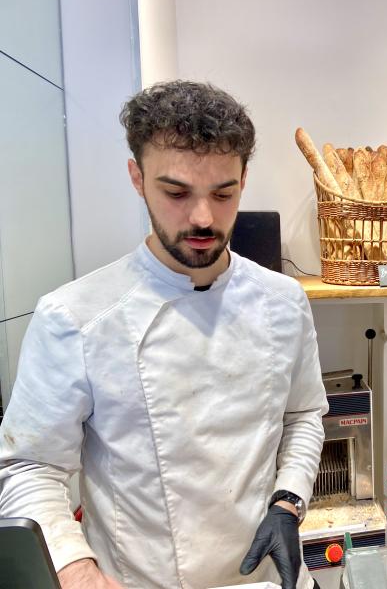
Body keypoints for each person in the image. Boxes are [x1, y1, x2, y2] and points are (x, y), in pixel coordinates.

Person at [0, 80, 328, 589]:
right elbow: (30, 467)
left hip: (268, 579)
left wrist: (288, 501)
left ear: (244, 179)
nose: (202, 218)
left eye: (223, 194)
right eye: (176, 193)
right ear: (137, 177)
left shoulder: (283, 300)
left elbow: (303, 415)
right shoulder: (75, 317)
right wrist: (74, 567)